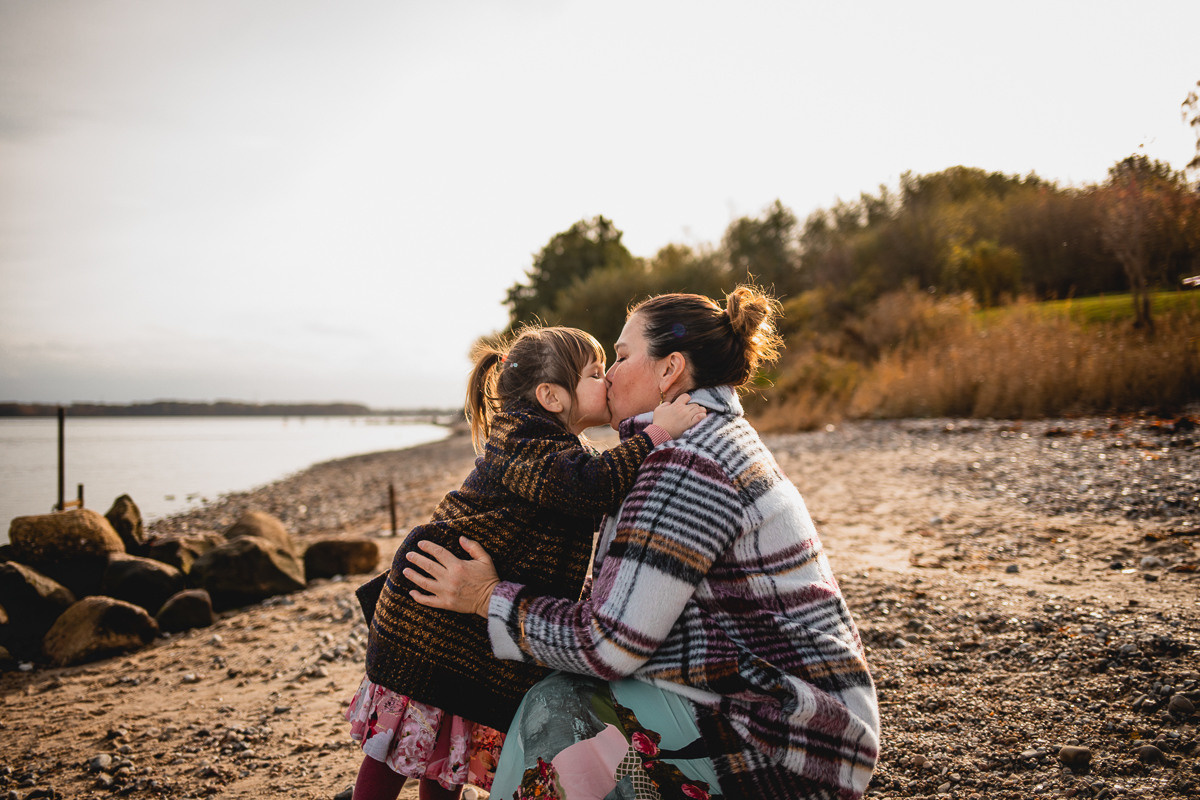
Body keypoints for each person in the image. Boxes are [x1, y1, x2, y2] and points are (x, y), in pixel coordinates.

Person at [403, 287, 881, 800]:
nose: (608, 374)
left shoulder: (688, 462)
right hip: (807, 718)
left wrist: (486, 597)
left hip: (787, 739)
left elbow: (610, 644)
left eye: (622, 356)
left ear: (669, 369)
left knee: (558, 712)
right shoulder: (707, 437)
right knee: (559, 689)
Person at [346, 325, 707, 800]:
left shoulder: (558, 447)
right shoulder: (525, 443)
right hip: (428, 622)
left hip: (460, 628)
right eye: (596, 373)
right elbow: (590, 488)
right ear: (551, 396)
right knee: (394, 751)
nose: (608, 380)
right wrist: (658, 432)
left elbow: (593, 481)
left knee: (445, 755)